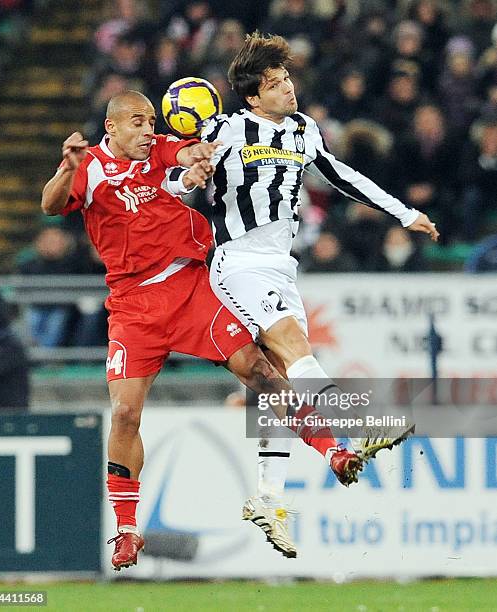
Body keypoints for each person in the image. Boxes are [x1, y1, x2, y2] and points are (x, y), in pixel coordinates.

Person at [40, 90, 367, 569]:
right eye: (137, 121)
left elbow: (187, 153)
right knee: (125, 413)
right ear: (111, 127)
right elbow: (51, 205)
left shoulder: (160, 148)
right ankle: (127, 530)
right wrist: (65, 168)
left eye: (152, 120)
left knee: (258, 369)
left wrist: (198, 159)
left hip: (190, 286)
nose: (148, 130)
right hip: (133, 307)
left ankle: (334, 451)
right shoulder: (88, 167)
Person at [193, 32, 439, 558]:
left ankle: (268, 497)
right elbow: (185, 159)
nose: (289, 90)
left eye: (288, 80)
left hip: (282, 267)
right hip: (237, 262)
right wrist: (191, 158)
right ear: (253, 96)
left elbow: (342, 176)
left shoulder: (304, 131)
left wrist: (404, 213)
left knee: (277, 385)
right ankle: (353, 425)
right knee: (293, 351)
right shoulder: (229, 127)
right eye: (276, 84)